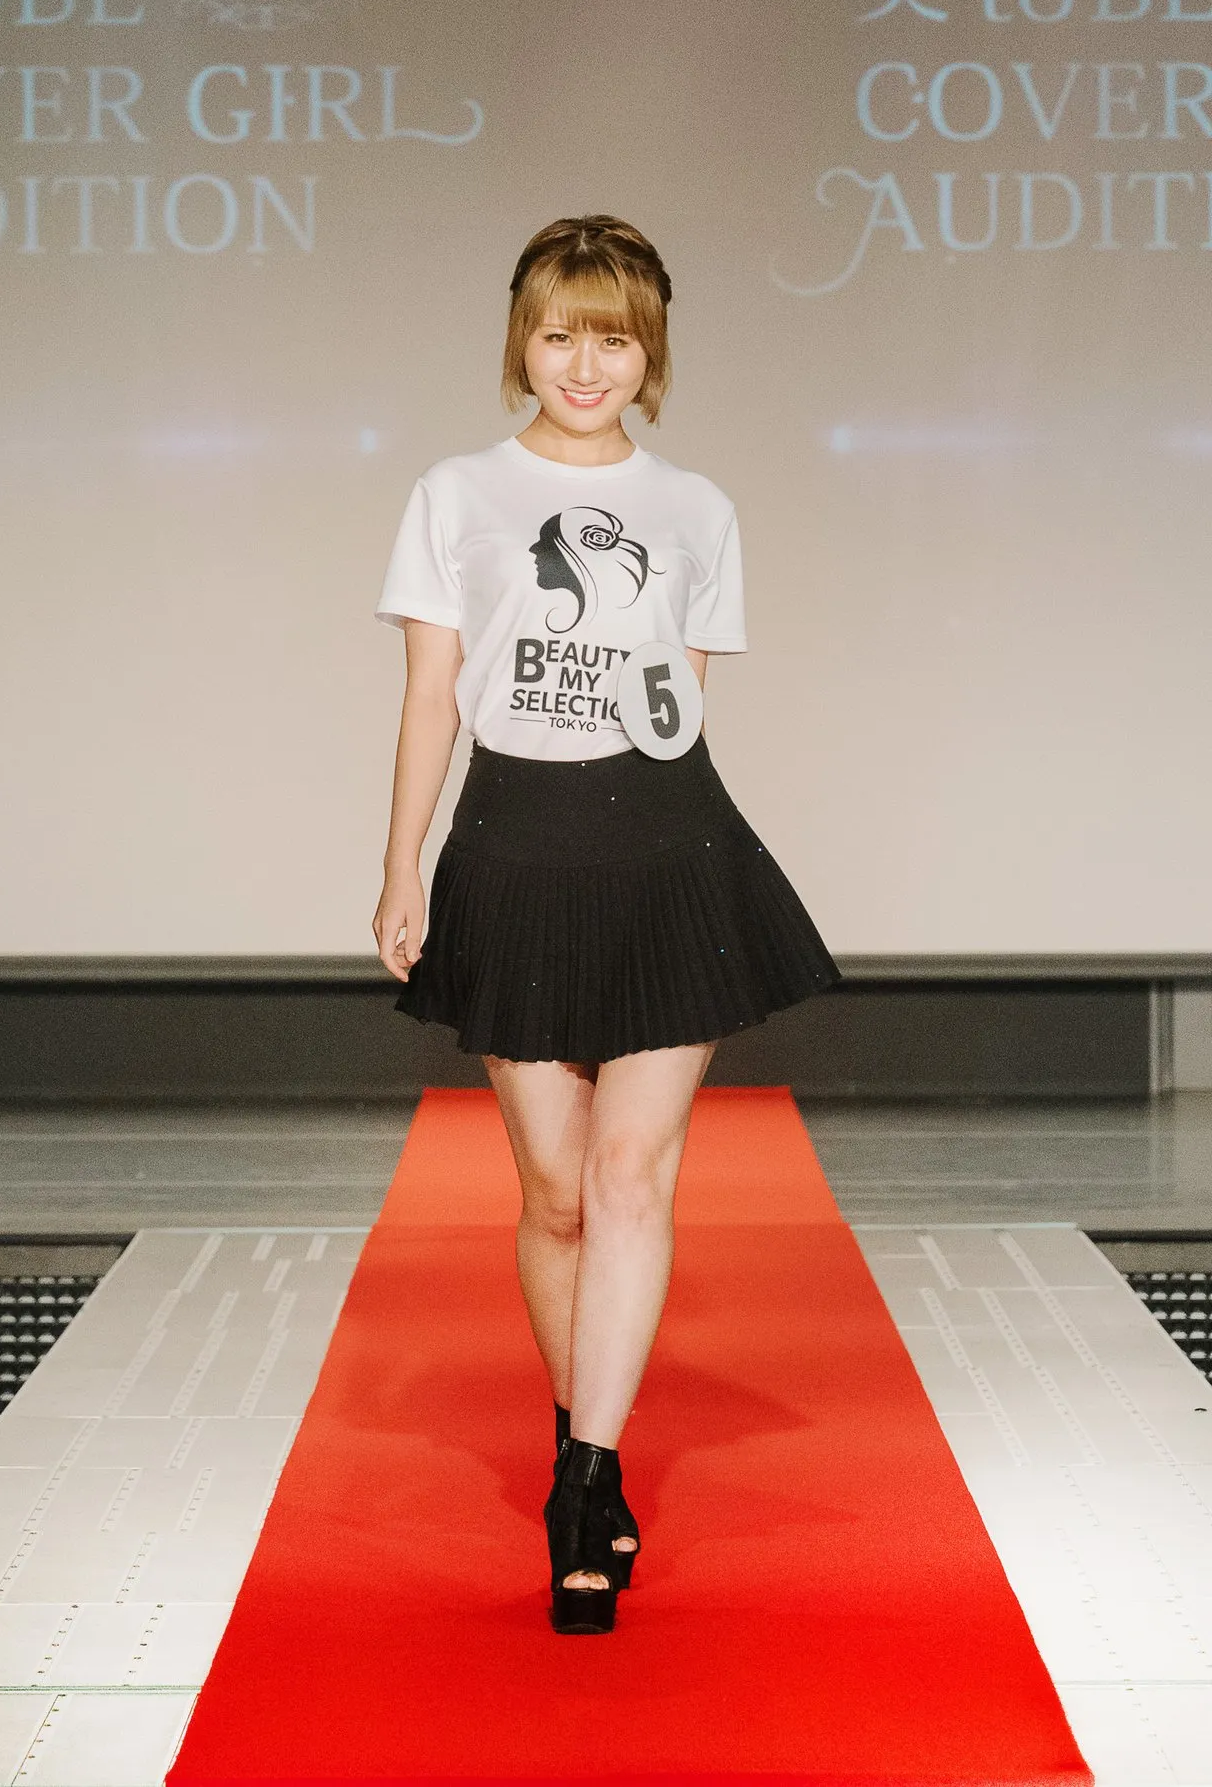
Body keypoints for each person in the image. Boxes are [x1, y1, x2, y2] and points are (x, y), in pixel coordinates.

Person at [373, 215, 840, 1633]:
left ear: (653, 352)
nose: (587, 365)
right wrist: (401, 868)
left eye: (616, 339)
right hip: (511, 849)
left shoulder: (697, 508)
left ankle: (584, 1481)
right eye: (561, 333)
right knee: (559, 1193)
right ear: (522, 339)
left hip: (666, 845)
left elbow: (680, 699)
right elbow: (432, 696)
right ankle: (587, 1433)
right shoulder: (456, 493)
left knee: (634, 1176)